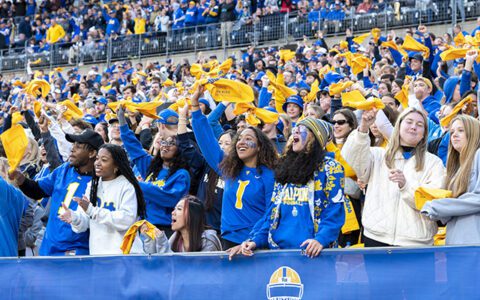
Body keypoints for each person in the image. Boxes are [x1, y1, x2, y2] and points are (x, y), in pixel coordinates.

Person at [236, 118, 345, 258]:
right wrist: (255, 240)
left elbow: (334, 210)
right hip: (279, 252)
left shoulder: (331, 168)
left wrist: (321, 240)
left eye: (302, 130)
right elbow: (272, 213)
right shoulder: (285, 167)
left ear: (315, 136)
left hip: (314, 253)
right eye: (294, 130)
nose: (295, 132)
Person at [342, 107, 445, 246]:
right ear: (399, 126)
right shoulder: (377, 155)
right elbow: (351, 155)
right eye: (409, 122)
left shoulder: (434, 163)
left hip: (416, 243)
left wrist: (405, 186)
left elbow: (432, 203)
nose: (413, 127)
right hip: (376, 237)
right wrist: (363, 128)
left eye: (419, 125)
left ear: (424, 134)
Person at [191, 85, 277, 250]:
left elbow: (271, 214)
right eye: (239, 139)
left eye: (248, 138)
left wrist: (254, 240)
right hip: (229, 241)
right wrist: (195, 107)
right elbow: (206, 140)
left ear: (260, 146)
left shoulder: (269, 175)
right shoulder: (229, 169)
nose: (241, 142)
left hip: (255, 245)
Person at [9, 129, 104, 255]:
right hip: (49, 247)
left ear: (92, 153)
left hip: (76, 252)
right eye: (73, 145)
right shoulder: (65, 169)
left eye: (78, 146)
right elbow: (38, 190)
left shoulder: (100, 182)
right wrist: (20, 178)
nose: (72, 149)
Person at [59, 144, 146, 255]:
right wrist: (74, 217)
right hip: (99, 255)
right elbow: (84, 224)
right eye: (97, 159)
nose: (97, 163)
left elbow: (126, 220)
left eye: (104, 160)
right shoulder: (92, 186)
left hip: (125, 255)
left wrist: (92, 211)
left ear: (116, 166)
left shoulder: (127, 186)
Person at [118, 106, 190, 237]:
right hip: (143, 227)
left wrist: (139, 185)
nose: (164, 146)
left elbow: (169, 198)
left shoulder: (181, 175)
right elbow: (133, 147)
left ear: (179, 150)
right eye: (163, 142)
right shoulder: (151, 166)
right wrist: (122, 120)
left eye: (171, 144)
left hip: (165, 230)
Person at [421, 115, 480, 244]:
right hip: (456, 240)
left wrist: (438, 206)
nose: (454, 135)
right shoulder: (455, 168)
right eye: (452, 132)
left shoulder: (479, 154)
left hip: (474, 241)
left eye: (461, 130)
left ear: (473, 132)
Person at [140, 195, 222, 253]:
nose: (173, 213)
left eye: (179, 209)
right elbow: (158, 266)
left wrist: (163, 244)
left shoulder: (209, 240)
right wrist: (149, 241)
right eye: (174, 209)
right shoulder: (176, 237)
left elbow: (193, 273)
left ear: (192, 215)